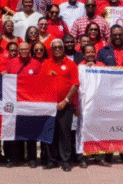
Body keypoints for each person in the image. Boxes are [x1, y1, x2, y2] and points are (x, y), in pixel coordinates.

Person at [40, 39, 79, 172]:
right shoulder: (46, 64)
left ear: (63, 48)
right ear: (51, 49)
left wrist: (66, 101)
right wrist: (47, 77)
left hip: (65, 105)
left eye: (60, 47)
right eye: (55, 47)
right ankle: (52, 160)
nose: (57, 49)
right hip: (49, 106)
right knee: (51, 133)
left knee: (65, 134)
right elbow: (38, 84)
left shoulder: (71, 64)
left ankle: (66, 161)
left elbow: (75, 84)